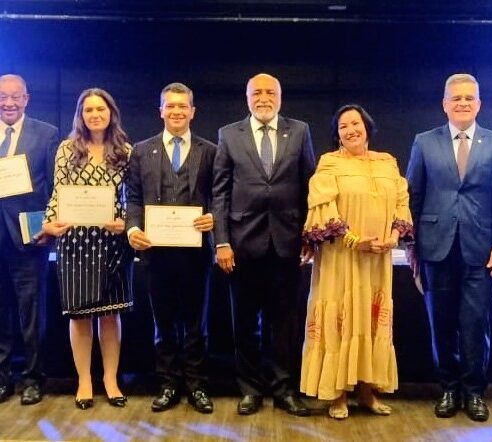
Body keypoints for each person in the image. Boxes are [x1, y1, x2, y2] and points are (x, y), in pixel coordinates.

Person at [406, 73, 492, 422]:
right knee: (441, 323)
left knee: (475, 324)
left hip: (482, 251)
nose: (463, 103)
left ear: (479, 104)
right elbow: (413, 196)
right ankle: (449, 389)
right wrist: (411, 245)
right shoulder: (424, 142)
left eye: (469, 98)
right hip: (435, 248)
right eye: (456, 98)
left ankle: (474, 392)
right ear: (445, 104)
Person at [299, 104, 413, 419]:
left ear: (367, 127)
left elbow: (402, 201)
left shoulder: (387, 162)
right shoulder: (329, 163)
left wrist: (393, 236)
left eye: (356, 123)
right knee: (342, 317)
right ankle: (337, 393)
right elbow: (322, 208)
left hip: (377, 259)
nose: (351, 130)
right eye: (344, 126)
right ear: (337, 134)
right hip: (341, 258)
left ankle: (366, 391)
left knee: (370, 319)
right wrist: (353, 240)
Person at [212, 73, 315, 416]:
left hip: (287, 243)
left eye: (270, 92)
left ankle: (284, 389)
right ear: (247, 98)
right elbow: (220, 193)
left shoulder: (299, 131)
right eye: (257, 92)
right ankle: (250, 390)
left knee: (284, 323)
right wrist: (221, 242)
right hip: (241, 245)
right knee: (244, 323)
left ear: (280, 97)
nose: (264, 98)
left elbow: (309, 186)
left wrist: (309, 236)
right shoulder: (229, 134)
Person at [126, 82, 215, 414]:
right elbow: (133, 198)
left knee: (195, 325)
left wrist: (213, 217)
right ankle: (167, 384)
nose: (177, 111)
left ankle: (197, 385)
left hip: (196, 254)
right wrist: (133, 228)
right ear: (160, 110)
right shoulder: (141, 150)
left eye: (183, 106)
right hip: (156, 253)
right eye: (170, 105)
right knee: (163, 324)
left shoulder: (211, 151)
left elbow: (220, 196)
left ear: (193, 111)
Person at [42, 88, 133, 410]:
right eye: (89, 110)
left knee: (110, 314)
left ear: (111, 113)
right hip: (75, 241)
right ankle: (84, 380)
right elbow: (58, 193)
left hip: (112, 242)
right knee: (79, 316)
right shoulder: (67, 149)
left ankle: (110, 379)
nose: (95, 115)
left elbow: (131, 197)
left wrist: (125, 222)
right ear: (80, 115)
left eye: (100, 109)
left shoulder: (125, 151)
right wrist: (49, 223)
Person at [0, 74, 59, 405]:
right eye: (2, 96)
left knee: (32, 314)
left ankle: (34, 378)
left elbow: (54, 188)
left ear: (26, 99)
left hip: (29, 237)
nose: (8, 102)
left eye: (15, 96)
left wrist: (48, 226)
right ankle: (2, 377)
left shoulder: (46, 134)